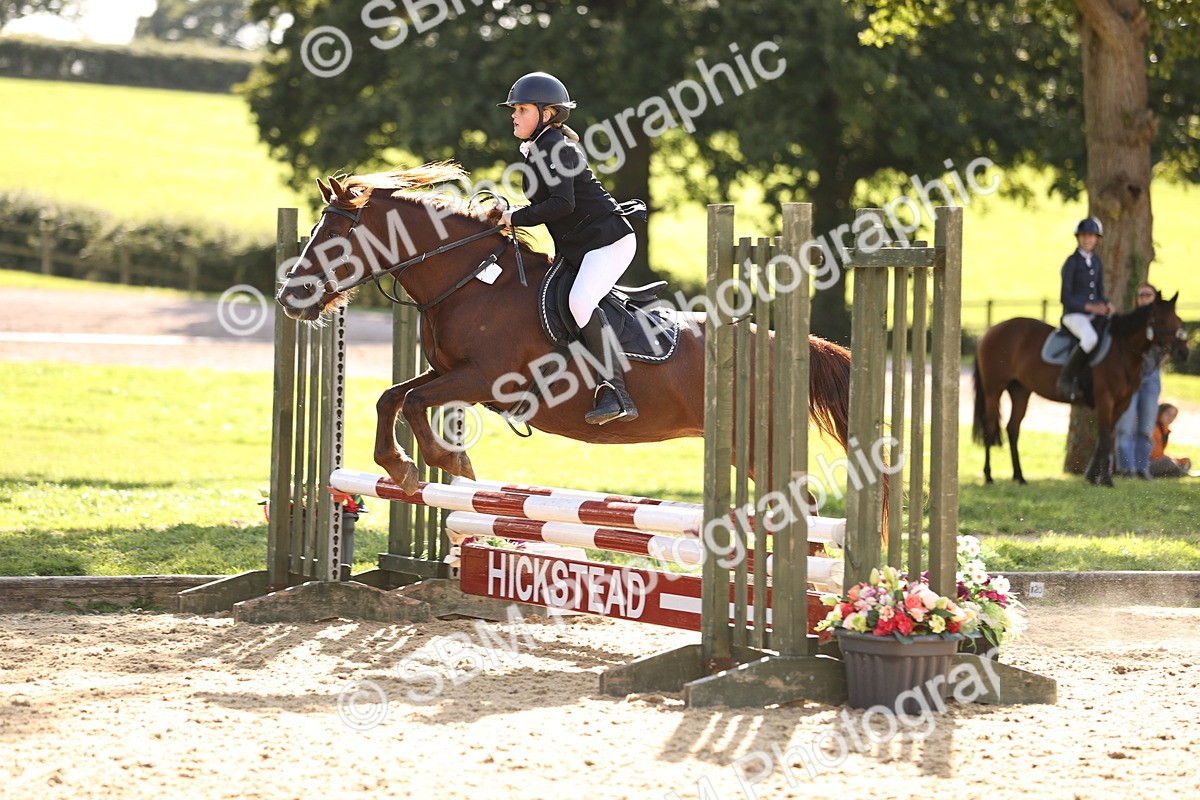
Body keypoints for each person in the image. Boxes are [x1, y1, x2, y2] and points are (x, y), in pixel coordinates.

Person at [497, 72, 641, 426]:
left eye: (522, 109)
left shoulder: (557, 148)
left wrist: (515, 217)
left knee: (579, 302)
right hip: (579, 247)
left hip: (608, 242)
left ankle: (618, 394)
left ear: (546, 114)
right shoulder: (541, 146)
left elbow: (562, 204)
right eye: (514, 109)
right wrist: (509, 212)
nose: (514, 115)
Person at [1056, 216, 1116, 401]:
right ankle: (1065, 379)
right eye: (1084, 236)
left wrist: (1106, 305)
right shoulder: (1071, 262)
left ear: (1097, 239)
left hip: (1092, 315)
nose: (1087, 239)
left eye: (1091, 236)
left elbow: (1099, 291)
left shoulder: (1096, 261)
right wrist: (1090, 307)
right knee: (1090, 339)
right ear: (1078, 238)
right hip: (1074, 315)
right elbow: (1065, 297)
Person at [1116, 282, 1164, 478]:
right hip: (1130, 378)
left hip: (1151, 378)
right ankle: (1126, 469)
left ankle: (1142, 468)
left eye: (1148, 295)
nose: (1144, 298)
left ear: (1154, 298)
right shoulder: (1130, 322)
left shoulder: (1161, 322)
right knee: (1125, 427)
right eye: (1141, 295)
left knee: (1146, 427)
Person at [1149, 403, 1192, 478]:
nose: (1170, 417)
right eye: (1167, 413)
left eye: (1173, 415)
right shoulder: (1154, 429)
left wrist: (1178, 460)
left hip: (1157, 460)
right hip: (1147, 463)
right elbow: (1154, 454)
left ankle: (1178, 472)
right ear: (1160, 412)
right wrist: (1175, 460)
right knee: (1168, 462)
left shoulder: (1163, 430)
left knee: (1186, 460)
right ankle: (1181, 472)